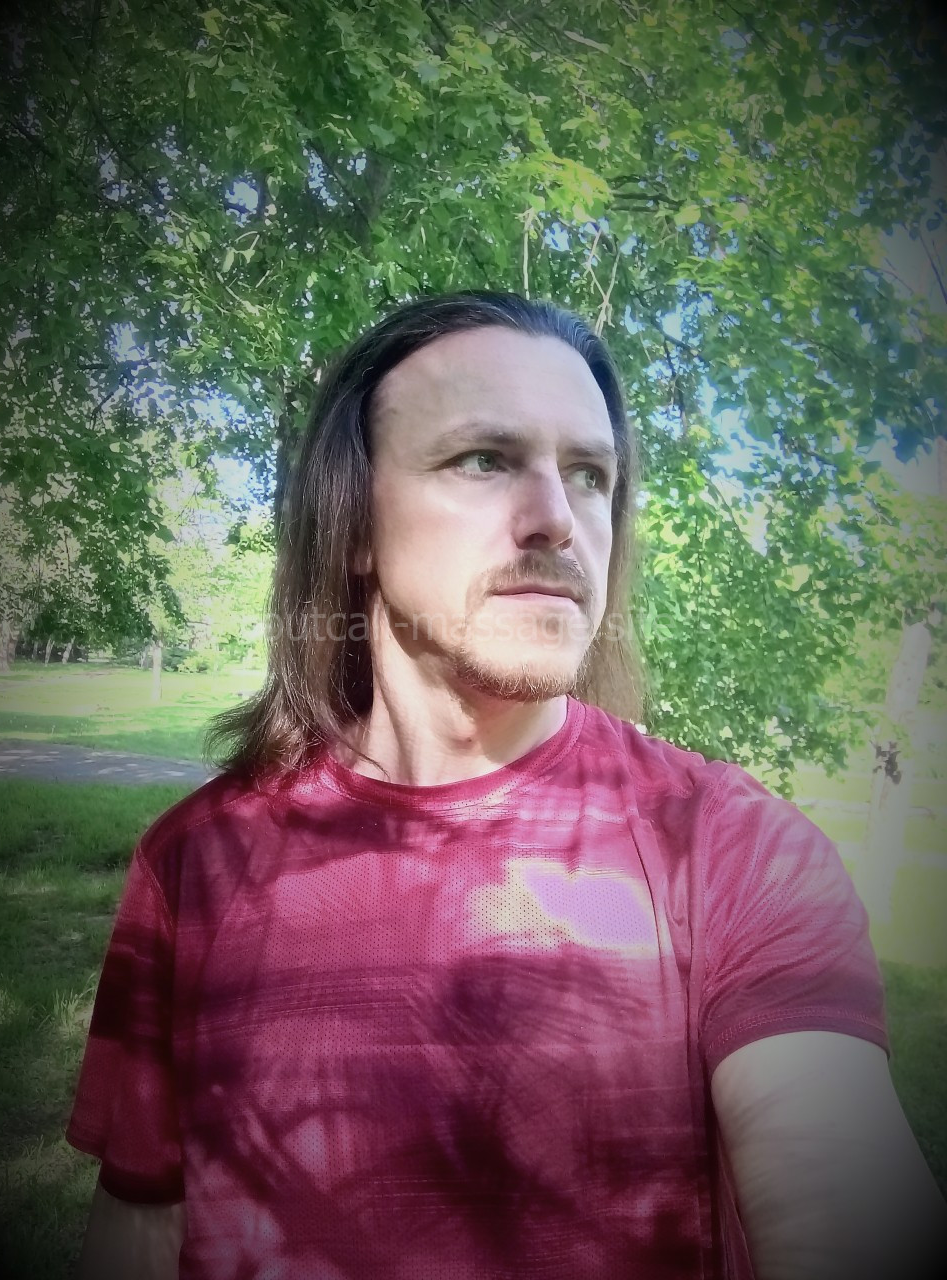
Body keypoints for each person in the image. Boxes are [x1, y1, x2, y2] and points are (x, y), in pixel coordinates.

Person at [68, 292, 946, 1279]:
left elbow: (838, 1185)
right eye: (484, 459)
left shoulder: (730, 852)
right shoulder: (196, 863)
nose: (557, 520)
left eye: (590, 475)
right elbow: (142, 1226)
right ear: (354, 525)